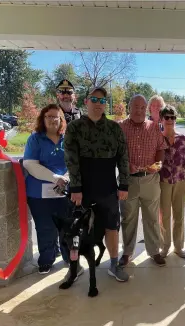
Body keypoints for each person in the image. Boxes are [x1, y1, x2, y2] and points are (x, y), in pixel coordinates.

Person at [63, 86, 130, 282]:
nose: (98, 104)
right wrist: (75, 187)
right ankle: (74, 268)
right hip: (82, 189)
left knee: (112, 226)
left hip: (107, 187)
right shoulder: (75, 128)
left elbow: (123, 158)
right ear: (86, 101)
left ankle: (114, 264)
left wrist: (123, 184)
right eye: (94, 100)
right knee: (77, 229)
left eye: (102, 101)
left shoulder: (114, 128)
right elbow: (70, 159)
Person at [119, 94, 169, 267]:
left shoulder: (154, 127)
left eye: (142, 107)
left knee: (152, 218)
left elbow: (161, 148)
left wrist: (159, 163)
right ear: (129, 107)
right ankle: (127, 252)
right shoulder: (121, 127)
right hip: (128, 181)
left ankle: (154, 251)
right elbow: (116, 153)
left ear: (146, 109)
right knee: (128, 218)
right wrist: (126, 165)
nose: (139, 110)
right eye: (136, 107)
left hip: (150, 180)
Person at [23, 104, 71, 274]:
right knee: (45, 227)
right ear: (43, 119)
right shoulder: (35, 139)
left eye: (56, 117)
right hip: (39, 194)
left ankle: (68, 257)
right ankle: (46, 259)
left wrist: (65, 177)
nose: (52, 120)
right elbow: (29, 164)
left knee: (66, 227)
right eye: (48, 116)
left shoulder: (68, 138)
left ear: (61, 119)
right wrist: (54, 178)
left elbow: (75, 162)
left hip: (65, 191)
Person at [159, 105, 185, 259]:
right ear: (161, 119)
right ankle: (165, 246)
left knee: (179, 215)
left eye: (172, 117)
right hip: (163, 182)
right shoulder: (157, 138)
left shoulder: (183, 139)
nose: (170, 120)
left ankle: (178, 247)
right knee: (164, 215)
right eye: (166, 117)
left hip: (181, 181)